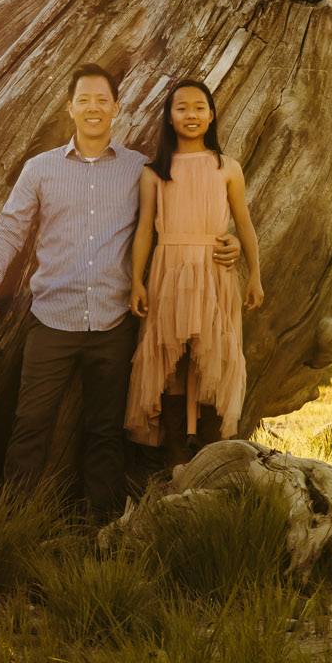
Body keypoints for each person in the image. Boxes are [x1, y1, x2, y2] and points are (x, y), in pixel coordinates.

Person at [0, 63, 238, 521]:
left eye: (102, 100)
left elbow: (184, 210)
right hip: (52, 318)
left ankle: (101, 527)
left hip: (114, 321)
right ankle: (11, 524)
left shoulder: (137, 169)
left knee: (106, 431)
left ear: (116, 108)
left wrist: (224, 243)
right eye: (83, 99)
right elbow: (9, 231)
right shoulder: (41, 169)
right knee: (31, 424)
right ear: (70, 108)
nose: (93, 108)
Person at [126, 78, 261, 461]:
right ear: (169, 117)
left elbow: (245, 223)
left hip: (214, 273)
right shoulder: (155, 173)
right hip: (169, 272)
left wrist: (254, 273)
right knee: (170, 359)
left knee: (213, 354)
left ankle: (209, 450)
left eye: (200, 107)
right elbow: (144, 231)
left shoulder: (226, 167)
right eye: (181, 107)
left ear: (212, 115)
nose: (191, 115)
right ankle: (174, 457)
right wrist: (137, 280)